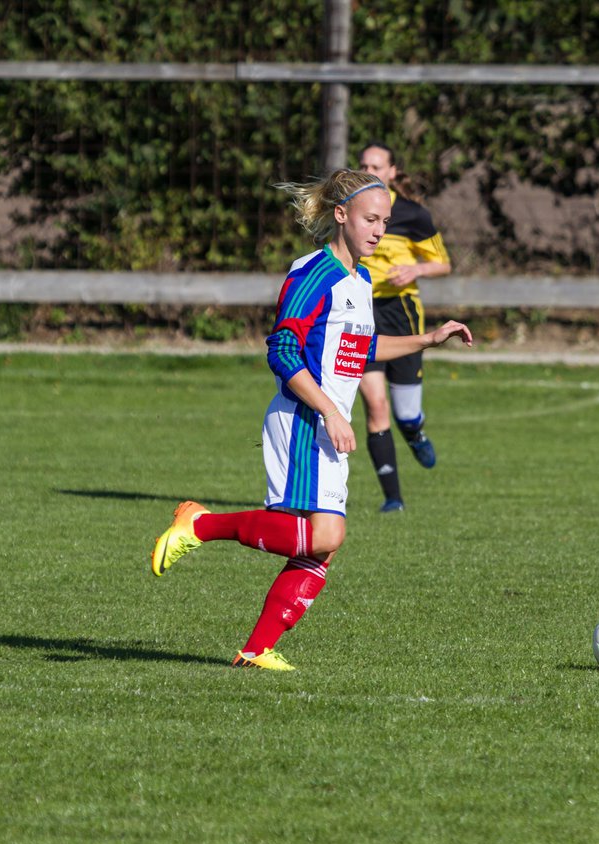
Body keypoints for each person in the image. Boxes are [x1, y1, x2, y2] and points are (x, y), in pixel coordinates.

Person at [149, 168, 474, 671]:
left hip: (328, 424)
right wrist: (328, 410)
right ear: (341, 215)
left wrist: (426, 339)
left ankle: (255, 650)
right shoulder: (312, 273)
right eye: (370, 219)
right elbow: (281, 349)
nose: (378, 230)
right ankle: (201, 524)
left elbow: (361, 348)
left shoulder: (360, 279)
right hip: (304, 419)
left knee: (320, 550)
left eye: (385, 221)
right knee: (325, 536)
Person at [357, 141, 453, 513]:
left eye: (377, 166)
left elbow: (442, 264)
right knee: (375, 405)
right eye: (363, 165)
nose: (369, 172)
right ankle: (392, 498)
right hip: (361, 313)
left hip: (401, 313)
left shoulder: (413, 214)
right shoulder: (349, 210)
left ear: (392, 172)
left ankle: (414, 432)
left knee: (405, 412)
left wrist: (415, 269)